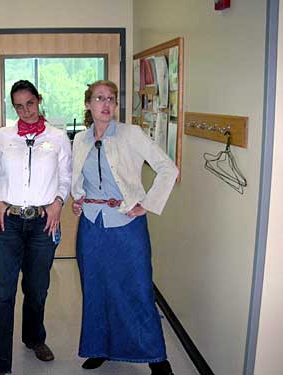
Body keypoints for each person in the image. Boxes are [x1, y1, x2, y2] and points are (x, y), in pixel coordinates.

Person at [71, 80, 178, 375]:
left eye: (112, 99)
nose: (106, 104)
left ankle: (156, 356)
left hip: (127, 223)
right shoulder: (80, 140)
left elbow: (168, 168)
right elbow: (76, 175)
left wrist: (147, 203)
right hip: (92, 225)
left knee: (138, 288)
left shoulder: (131, 134)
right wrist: (77, 197)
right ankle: (99, 348)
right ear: (88, 104)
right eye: (99, 98)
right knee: (95, 289)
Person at [0, 80, 72, 375]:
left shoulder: (58, 137)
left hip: (42, 224)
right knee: (2, 292)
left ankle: (34, 338)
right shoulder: (3, 135)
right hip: (5, 221)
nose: (25, 111)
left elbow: (65, 177)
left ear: (39, 100)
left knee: (37, 289)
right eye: (19, 106)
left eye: (30, 104)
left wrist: (59, 202)